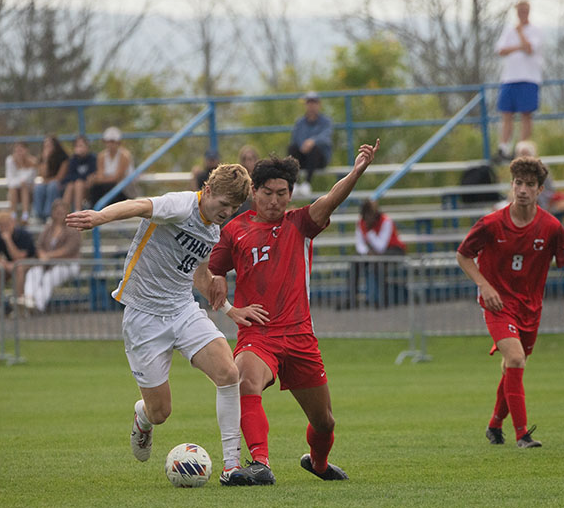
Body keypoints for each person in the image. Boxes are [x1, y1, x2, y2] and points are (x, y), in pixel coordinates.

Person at [65, 163, 266, 486]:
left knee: (229, 373)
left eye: (233, 208)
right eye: (223, 204)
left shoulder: (212, 229)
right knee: (161, 412)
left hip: (182, 309)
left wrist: (229, 309)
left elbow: (198, 276)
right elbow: (139, 206)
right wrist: (99, 217)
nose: (226, 212)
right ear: (208, 190)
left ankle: (231, 467)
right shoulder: (181, 205)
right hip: (143, 317)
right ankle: (143, 416)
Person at [208, 142, 380, 485]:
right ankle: (259, 462)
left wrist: (357, 171)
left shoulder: (300, 222)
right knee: (246, 379)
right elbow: (211, 270)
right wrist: (228, 303)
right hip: (259, 334)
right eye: (268, 192)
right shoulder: (234, 230)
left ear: (290, 194)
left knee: (325, 422)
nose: (274, 200)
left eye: (282, 193)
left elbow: (331, 199)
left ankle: (317, 462)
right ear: (254, 192)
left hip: (300, 336)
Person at [456, 155, 564, 449]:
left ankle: (494, 425)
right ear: (511, 185)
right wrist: (484, 286)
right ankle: (522, 434)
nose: (523, 189)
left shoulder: (551, 227)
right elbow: (463, 255)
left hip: (530, 308)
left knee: (513, 367)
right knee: (515, 359)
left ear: (540, 190)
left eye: (529, 184)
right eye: (518, 183)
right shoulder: (490, 223)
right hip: (497, 304)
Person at [495, 0, 543, 161]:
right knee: (506, 113)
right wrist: (519, 46)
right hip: (509, 78)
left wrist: (521, 35)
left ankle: (523, 149)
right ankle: (503, 148)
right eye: (520, 10)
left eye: (525, 10)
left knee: (526, 114)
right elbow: (501, 50)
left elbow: (529, 49)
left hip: (529, 78)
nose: (522, 13)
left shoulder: (535, 30)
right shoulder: (509, 30)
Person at [22, 199, 81, 312]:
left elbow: (68, 250)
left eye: (62, 212)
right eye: (57, 211)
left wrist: (48, 256)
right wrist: (42, 255)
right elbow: (39, 245)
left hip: (68, 264)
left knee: (49, 277)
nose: (59, 214)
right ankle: (28, 299)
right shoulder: (48, 228)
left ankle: (38, 305)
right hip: (48, 263)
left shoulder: (73, 228)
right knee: (33, 272)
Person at [351, 198, 406, 308]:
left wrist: (370, 232)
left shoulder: (386, 221)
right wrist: (367, 252)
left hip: (393, 249)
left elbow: (381, 246)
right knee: (355, 263)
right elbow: (359, 245)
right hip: (372, 252)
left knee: (378, 265)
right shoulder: (361, 223)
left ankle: (382, 299)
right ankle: (352, 299)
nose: (368, 219)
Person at [0, 209, 36, 320]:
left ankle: (19, 306)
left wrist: (8, 240)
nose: (3, 228)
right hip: (10, 265)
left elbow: (19, 258)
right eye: (0, 225)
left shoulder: (24, 234)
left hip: (29, 265)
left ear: (12, 222)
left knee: (19, 268)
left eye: (5, 224)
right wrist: (6, 265)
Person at [287, 91, 333, 198]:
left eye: (314, 102)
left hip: (319, 159)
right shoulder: (300, 122)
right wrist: (304, 145)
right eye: (309, 102)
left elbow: (326, 137)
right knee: (292, 148)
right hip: (304, 157)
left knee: (314, 149)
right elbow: (296, 139)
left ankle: (307, 183)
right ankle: (296, 182)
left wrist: (312, 142)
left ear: (319, 104)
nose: (311, 105)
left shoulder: (326, 121)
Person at [516, 140, 564, 220]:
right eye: (521, 154)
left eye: (526, 154)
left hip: (543, 202)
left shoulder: (541, 168)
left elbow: (549, 190)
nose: (524, 157)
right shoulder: (517, 171)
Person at [89, 126, 135, 207]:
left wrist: (98, 178)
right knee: (96, 188)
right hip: (109, 187)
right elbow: (101, 176)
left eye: (113, 141)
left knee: (105, 187)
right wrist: (100, 178)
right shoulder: (102, 156)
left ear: (118, 142)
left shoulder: (124, 156)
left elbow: (117, 177)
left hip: (123, 189)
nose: (110, 144)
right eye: (108, 141)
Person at [32, 136, 69, 223]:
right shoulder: (43, 159)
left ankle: (49, 214)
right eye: (45, 146)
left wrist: (48, 181)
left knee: (52, 186)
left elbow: (59, 177)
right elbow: (42, 175)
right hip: (47, 184)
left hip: (60, 186)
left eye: (50, 145)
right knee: (38, 187)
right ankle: (38, 215)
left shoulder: (63, 158)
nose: (47, 148)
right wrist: (46, 160)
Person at [62, 135, 97, 212]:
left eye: (81, 145)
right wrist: (80, 178)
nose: (79, 148)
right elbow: (69, 176)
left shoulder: (92, 159)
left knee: (79, 183)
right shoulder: (73, 160)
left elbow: (91, 175)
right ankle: (64, 212)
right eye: (77, 146)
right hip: (75, 186)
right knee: (70, 185)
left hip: (88, 188)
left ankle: (78, 210)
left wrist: (81, 179)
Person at [5, 142, 37, 223]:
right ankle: (13, 216)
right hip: (14, 192)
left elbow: (29, 180)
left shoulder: (32, 162)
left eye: (21, 150)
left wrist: (21, 165)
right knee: (13, 188)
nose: (18, 153)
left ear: (26, 150)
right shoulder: (10, 161)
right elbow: (10, 180)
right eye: (16, 151)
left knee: (24, 187)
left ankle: (25, 215)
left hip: (29, 192)